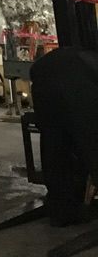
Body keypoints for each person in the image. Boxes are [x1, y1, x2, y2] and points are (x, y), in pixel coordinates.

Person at [30, 46, 98, 226]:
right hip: (71, 81)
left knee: (54, 146)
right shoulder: (86, 68)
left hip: (42, 76)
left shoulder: (84, 57)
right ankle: (68, 208)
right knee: (91, 144)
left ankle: (61, 211)